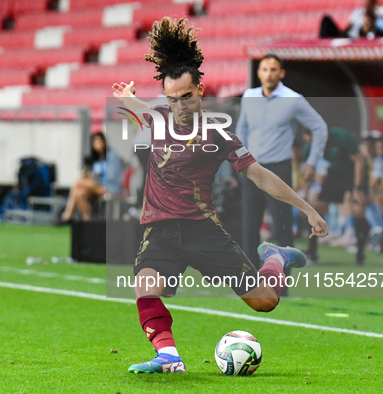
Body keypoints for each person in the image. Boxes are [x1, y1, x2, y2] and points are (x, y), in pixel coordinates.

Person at [112, 17, 328, 374]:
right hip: (161, 229)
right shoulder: (159, 118)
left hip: (203, 231)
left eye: (185, 96)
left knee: (265, 302)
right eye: (171, 98)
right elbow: (140, 111)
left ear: (200, 90)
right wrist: (127, 98)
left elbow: (260, 176)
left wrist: (306, 208)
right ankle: (169, 357)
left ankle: (275, 258)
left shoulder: (218, 135)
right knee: (146, 285)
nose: (178, 105)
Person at [236, 54, 328, 272]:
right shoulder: (249, 96)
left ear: (282, 73)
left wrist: (312, 162)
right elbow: (242, 129)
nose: (269, 74)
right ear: (258, 73)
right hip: (252, 169)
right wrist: (240, 157)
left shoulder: (293, 99)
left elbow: (320, 128)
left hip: (279, 168)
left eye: (274, 70)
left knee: (283, 229)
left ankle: (281, 286)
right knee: (249, 228)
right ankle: (249, 284)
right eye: (265, 69)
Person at [303, 128, 367, 265]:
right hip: (335, 172)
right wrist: (306, 193)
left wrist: (357, 188)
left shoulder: (342, 138)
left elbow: (359, 161)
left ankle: (360, 254)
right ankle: (312, 251)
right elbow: (308, 170)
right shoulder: (311, 146)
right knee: (318, 206)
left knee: (357, 208)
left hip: (352, 173)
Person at [61, 132, 122, 221]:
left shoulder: (112, 156)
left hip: (110, 187)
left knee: (78, 182)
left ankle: (67, 214)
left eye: (99, 141)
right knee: (80, 192)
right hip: (96, 187)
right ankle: (87, 221)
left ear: (104, 142)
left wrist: (96, 176)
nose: (97, 144)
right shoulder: (96, 158)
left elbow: (112, 176)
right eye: (95, 142)